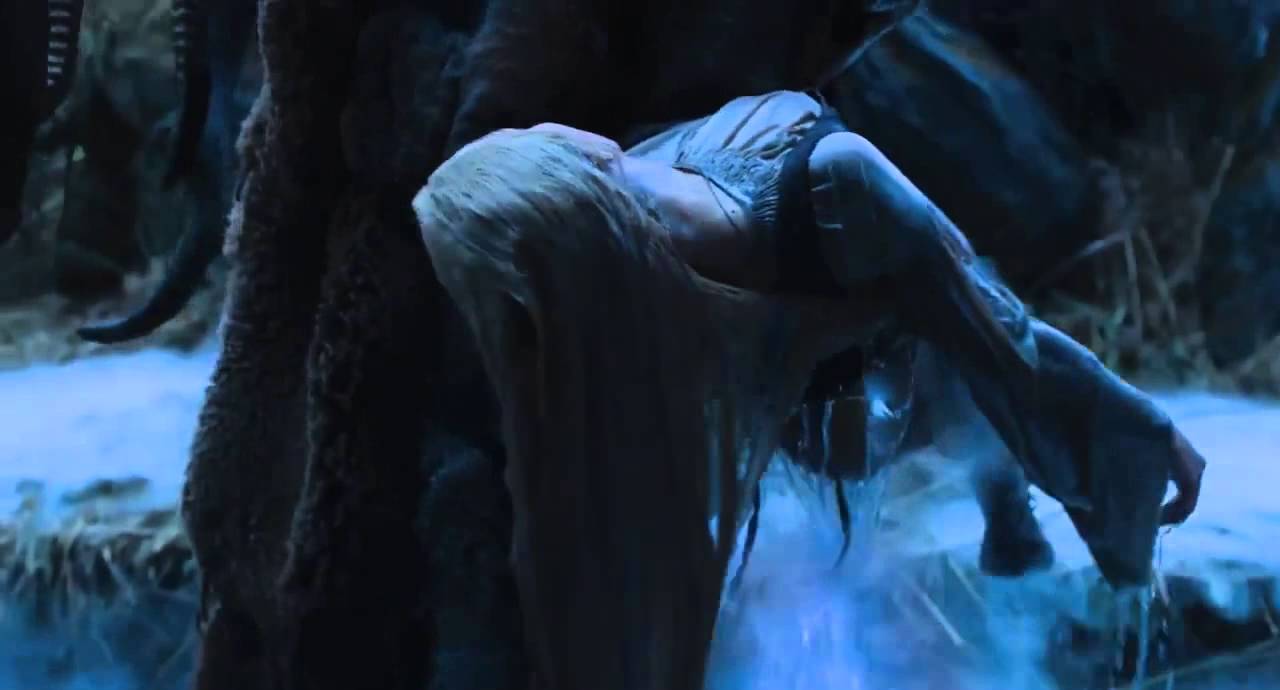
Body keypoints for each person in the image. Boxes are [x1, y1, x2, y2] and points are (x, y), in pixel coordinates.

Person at [411, 90, 1205, 690]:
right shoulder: (584, 298)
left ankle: (1006, 507)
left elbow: (1004, 339)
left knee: (951, 353)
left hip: (844, 293)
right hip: (765, 327)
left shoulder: (837, 195)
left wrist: (1145, 435)